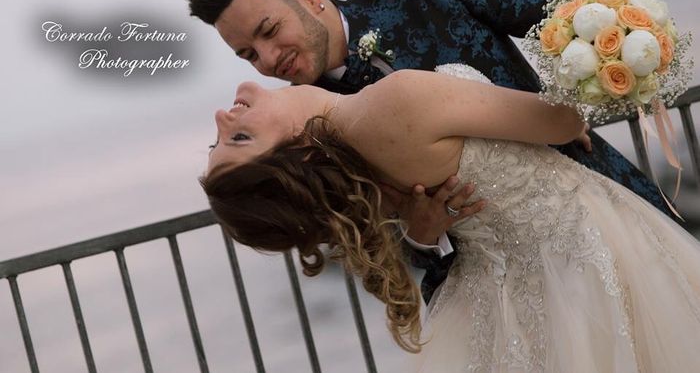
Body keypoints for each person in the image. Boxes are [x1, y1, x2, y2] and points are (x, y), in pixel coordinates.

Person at [188, 0, 675, 303]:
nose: (268, 59)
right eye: (248, 54)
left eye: (269, 31)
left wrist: (587, 78)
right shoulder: (301, 140)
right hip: (507, 284)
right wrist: (421, 237)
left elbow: (557, 11)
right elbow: (363, 242)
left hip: (596, 197)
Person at [201, 64, 700, 371]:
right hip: (585, 248)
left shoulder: (356, 168)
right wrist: (591, 55)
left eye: (216, 141)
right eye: (239, 139)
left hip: (499, 294)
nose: (223, 118)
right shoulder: (395, 101)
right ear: (300, 156)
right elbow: (563, 122)